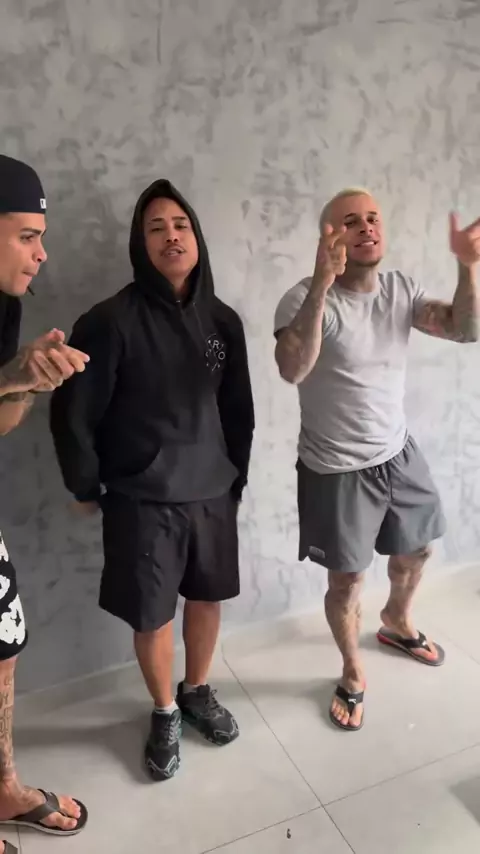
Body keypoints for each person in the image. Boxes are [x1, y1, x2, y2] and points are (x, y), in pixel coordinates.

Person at [50, 179, 255, 780]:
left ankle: (196, 691)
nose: (171, 236)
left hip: (212, 490)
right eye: (156, 228)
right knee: (152, 615)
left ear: (197, 236)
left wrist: (237, 478)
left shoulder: (223, 320)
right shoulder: (109, 321)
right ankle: (165, 710)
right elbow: (74, 411)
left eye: (180, 225)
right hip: (143, 498)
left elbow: (237, 409)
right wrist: (85, 485)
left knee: (208, 597)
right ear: (140, 245)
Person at [274, 187, 479, 732]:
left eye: (372, 218)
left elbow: (467, 330)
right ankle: (351, 667)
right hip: (335, 468)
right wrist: (322, 283)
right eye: (350, 220)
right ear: (329, 236)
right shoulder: (301, 299)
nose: (365, 226)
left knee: (419, 549)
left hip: (397, 452)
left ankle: (396, 619)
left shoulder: (400, 290)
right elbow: (292, 368)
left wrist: (467, 267)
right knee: (346, 582)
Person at [0, 154, 90, 853]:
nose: (42, 254)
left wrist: (25, 382)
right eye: (28, 236)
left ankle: (1, 783)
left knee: (2, 643)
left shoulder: (6, 306)